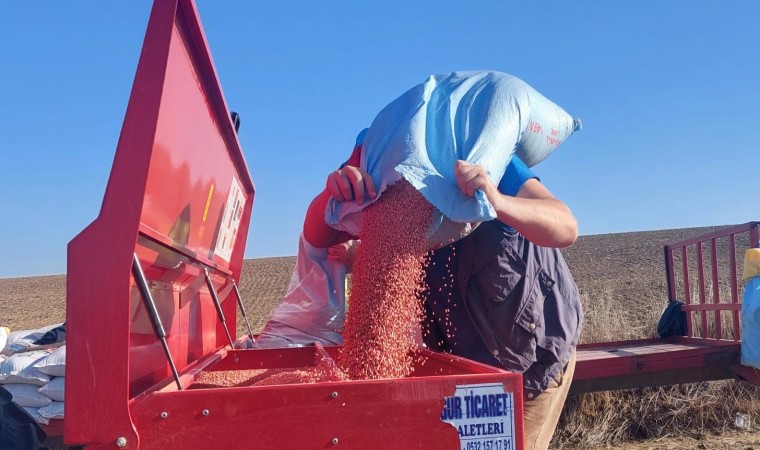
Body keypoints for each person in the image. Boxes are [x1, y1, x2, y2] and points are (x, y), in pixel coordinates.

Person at [301, 136, 583, 450]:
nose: (400, 184)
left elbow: (565, 224)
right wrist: (335, 190)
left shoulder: (480, 148)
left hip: (531, 355)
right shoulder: (374, 161)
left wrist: (496, 200)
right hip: (463, 365)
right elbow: (318, 233)